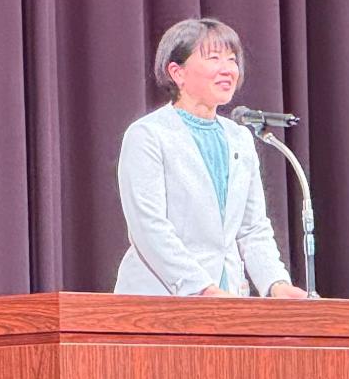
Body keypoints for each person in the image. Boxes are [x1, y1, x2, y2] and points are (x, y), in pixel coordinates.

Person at [114, 18, 307, 298]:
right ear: (177, 73)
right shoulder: (148, 135)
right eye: (214, 58)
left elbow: (253, 228)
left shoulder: (239, 137)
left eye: (232, 59)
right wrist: (202, 289)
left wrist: (276, 284)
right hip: (160, 298)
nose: (228, 69)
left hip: (228, 300)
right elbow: (149, 227)